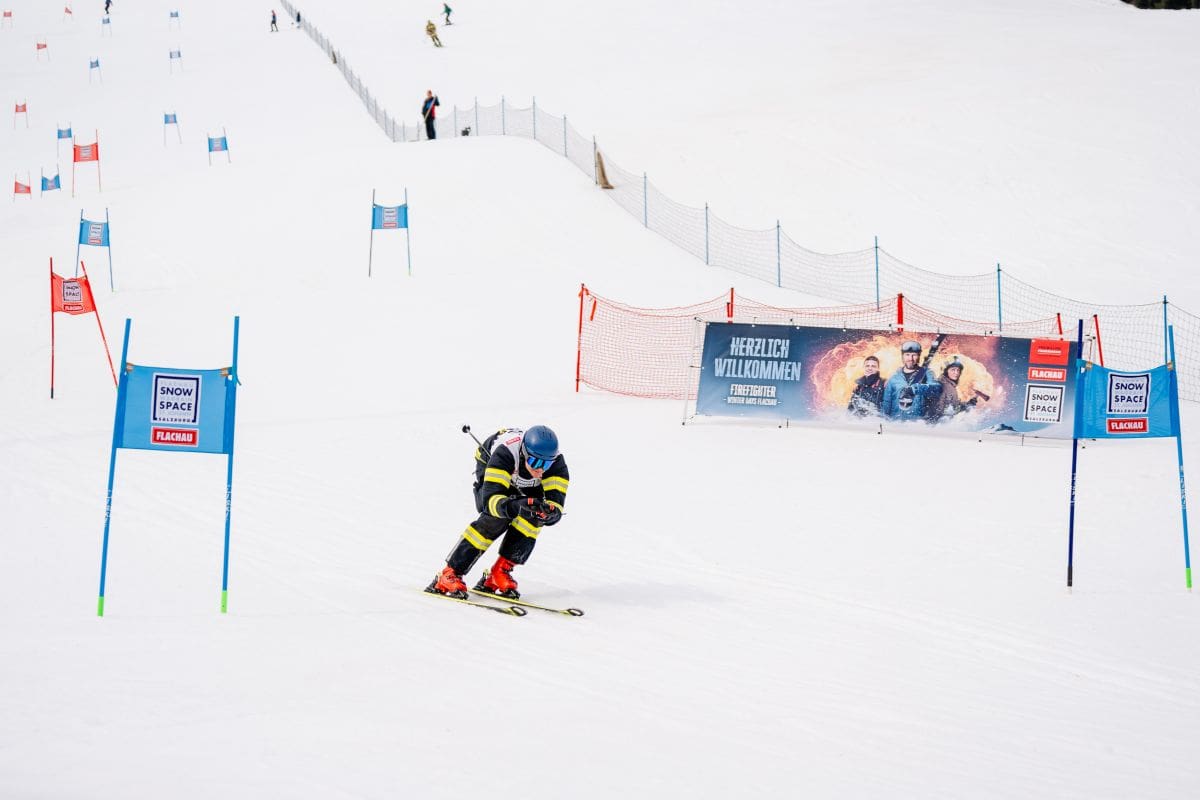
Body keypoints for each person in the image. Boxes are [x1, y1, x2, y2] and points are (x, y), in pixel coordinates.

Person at [427, 426, 570, 599]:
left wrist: (550, 514)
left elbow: (556, 505)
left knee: (534, 517)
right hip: (492, 463)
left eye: (546, 464)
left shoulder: (556, 465)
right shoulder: (505, 454)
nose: (540, 469)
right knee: (495, 519)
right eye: (535, 462)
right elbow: (491, 503)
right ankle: (449, 574)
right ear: (524, 453)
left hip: (523, 479)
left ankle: (499, 572)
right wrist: (515, 506)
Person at [880, 339, 942, 420]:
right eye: (907, 355)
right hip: (895, 423)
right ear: (902, 356)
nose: (911, 358)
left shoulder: (927, 373)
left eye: (914, 355)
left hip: (918, 423)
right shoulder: (894, 378)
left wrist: (916, 389)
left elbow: (937, 389)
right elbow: (886, 403)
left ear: (919, 356)